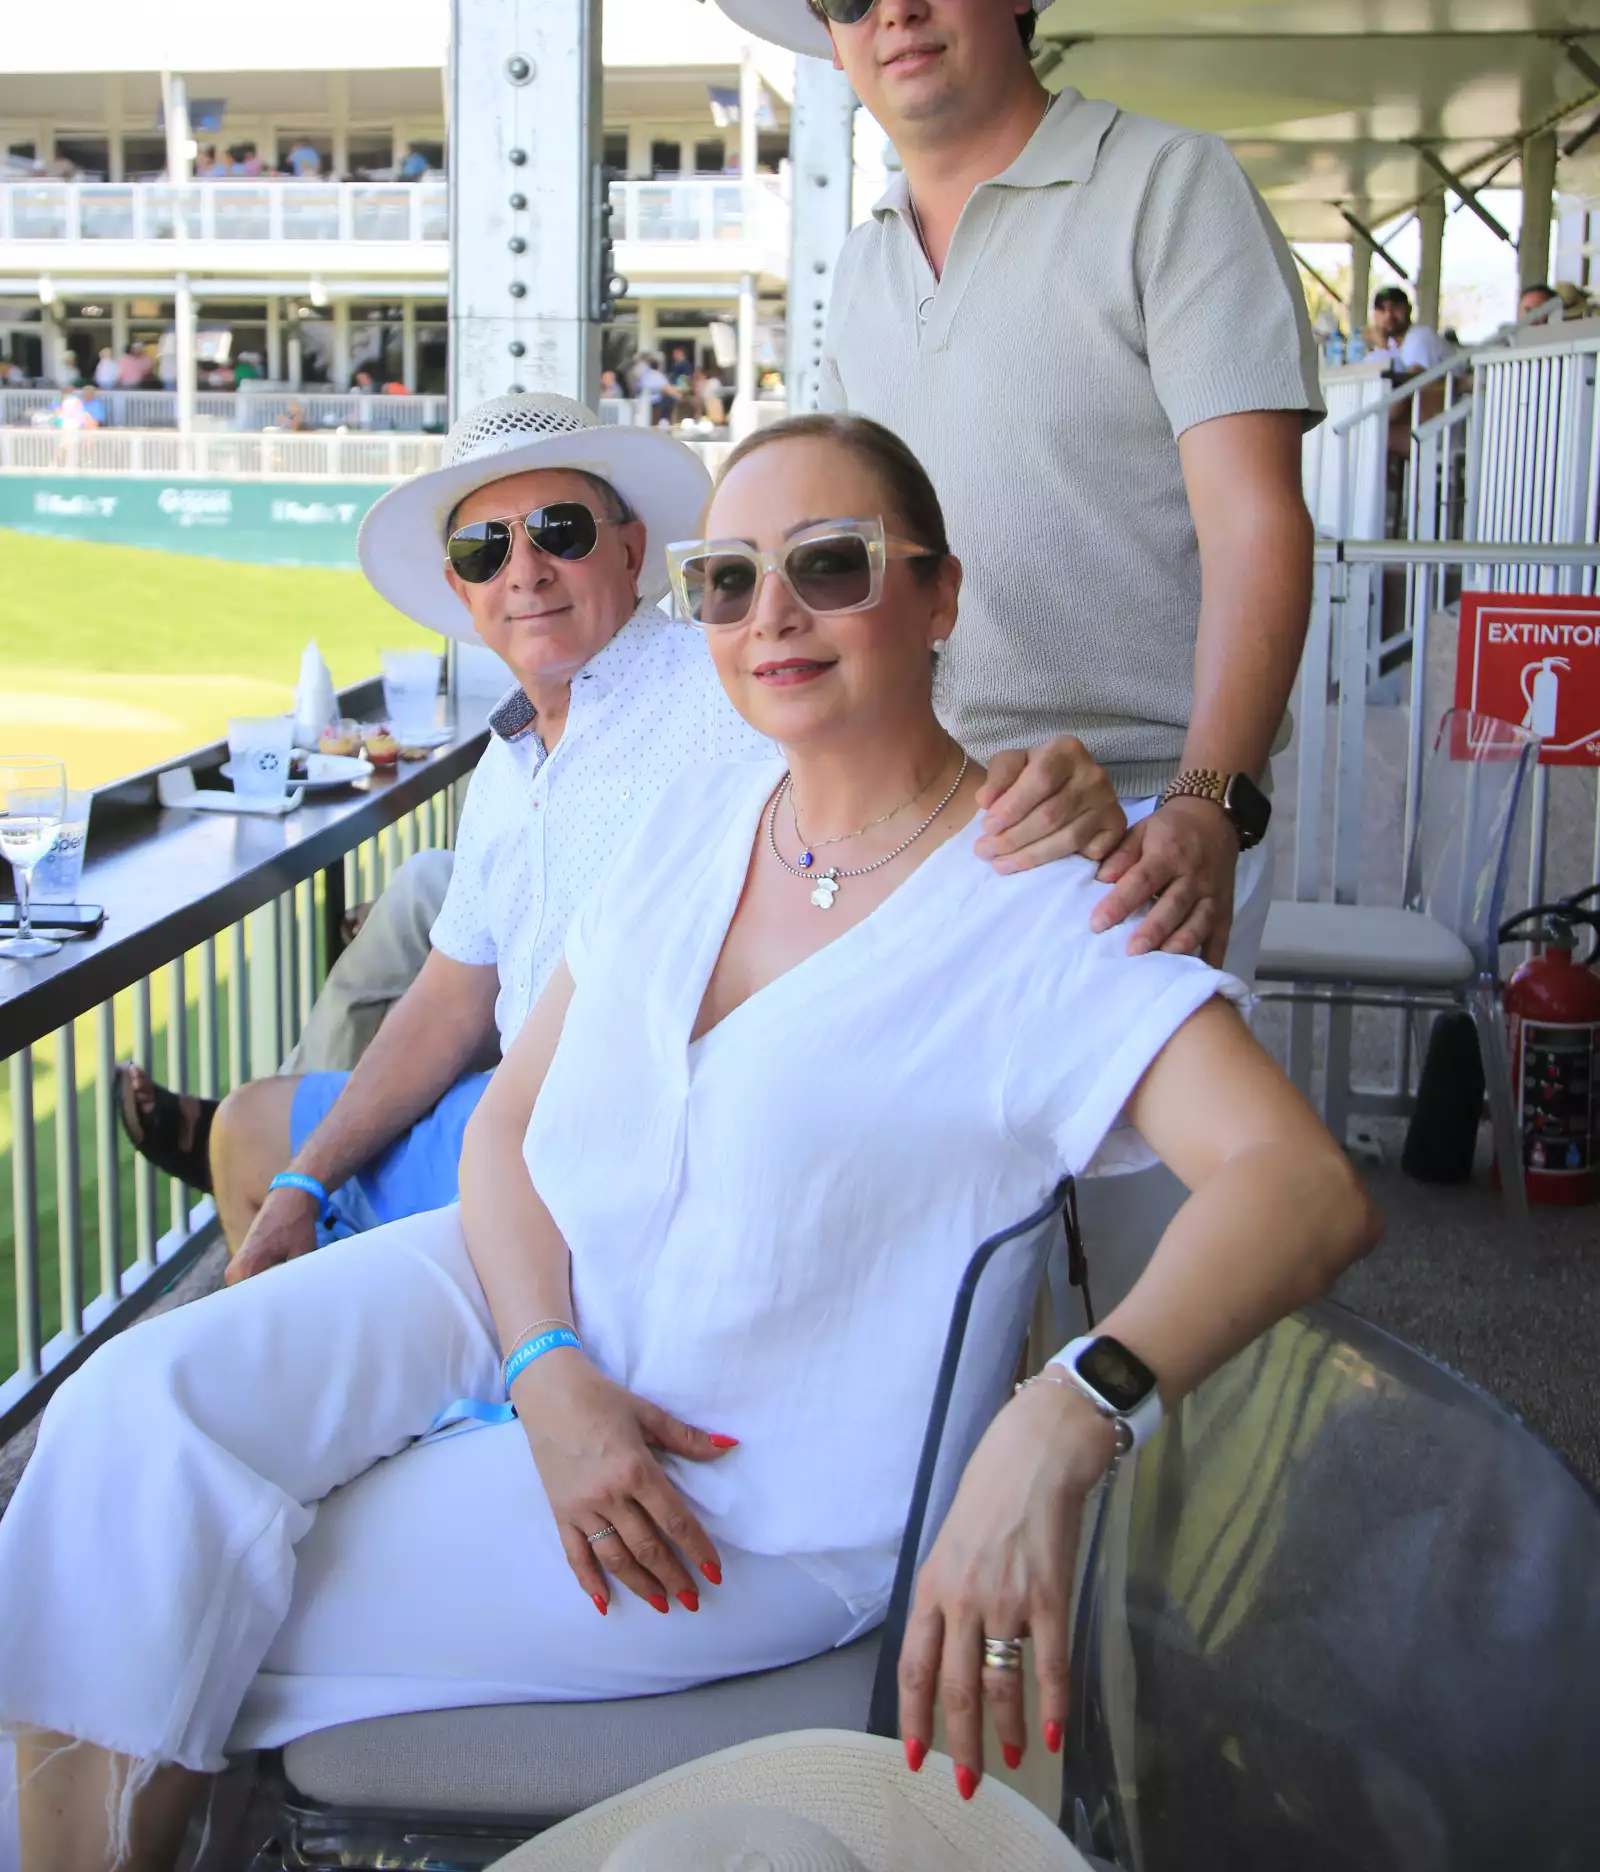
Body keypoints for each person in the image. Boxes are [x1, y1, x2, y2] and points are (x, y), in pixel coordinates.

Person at [0, 414, 1379, 1871]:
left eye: (830, 567)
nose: (771, 615)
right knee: (121, 1427)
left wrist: (1064, 1418)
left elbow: (1299, 1189)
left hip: (737, 1486)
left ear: (940, 595)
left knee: (160, 1573)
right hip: (514, 1295)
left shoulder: (1040, 897)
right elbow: (513, 1130)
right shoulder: (701, 807)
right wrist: (544, 1371)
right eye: (730, 580)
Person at [175, 393, 1120, 1282]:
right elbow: (452, 994)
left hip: (639, 1171)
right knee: (256, 1141)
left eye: (560, 531)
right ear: (464, 593)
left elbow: (887, 746)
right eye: (482, 550)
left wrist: (1051, 784)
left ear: (632, 554)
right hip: (514, 1128)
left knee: (251, 1177)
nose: (525, 570)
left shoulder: (726, 672)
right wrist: (310, 1178)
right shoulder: (508, 757)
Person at [708, 0, 1319, 985]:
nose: (894, 7)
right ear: (831, 37)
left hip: (1148, 812)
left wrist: (1208, 802)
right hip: (930, 810)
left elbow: (1255, 518)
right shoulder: (863, 257)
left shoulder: (1167, 185)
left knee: (1178, 1170)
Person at [1365, 284, 1448, 373]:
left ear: (1409, 309)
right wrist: (1382, 347)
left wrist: (1382, 349)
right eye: (1382, 309)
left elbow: (1416, 382)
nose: (1388, 315)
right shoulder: (1392, 344)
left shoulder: (1419, 336)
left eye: (1395, 307)